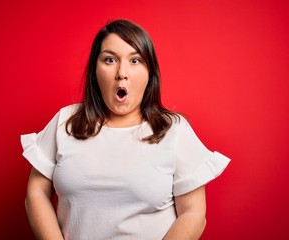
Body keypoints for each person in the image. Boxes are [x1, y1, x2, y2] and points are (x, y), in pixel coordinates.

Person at [21, 19, 230, 240]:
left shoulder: (174, 130)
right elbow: (36, 193)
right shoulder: (66, 120)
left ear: (150, 74)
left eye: (135, 60)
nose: (122, 72)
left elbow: (194, 213)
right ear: (94, 71)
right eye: (110, 60)